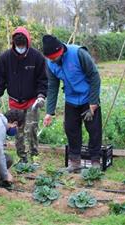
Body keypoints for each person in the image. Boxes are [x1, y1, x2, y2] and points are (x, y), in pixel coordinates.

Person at [42, 34, 102, 173]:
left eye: (54, 58)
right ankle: (75, 162)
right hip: (71, 100)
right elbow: (52, 86)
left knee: (94, 130)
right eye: (50, 59)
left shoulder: (78, 53)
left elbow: (94, 76)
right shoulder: (50, 63)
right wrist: (49, 112)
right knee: (71, 130)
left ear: (61, 51)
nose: (53, 61)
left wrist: (93, 103)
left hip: (88, 99)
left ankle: (95, 162)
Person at [0, 26, 47, 164]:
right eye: (18, 46)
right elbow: (0, 79)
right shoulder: (5, 58)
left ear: (28, 43)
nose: (20, 49)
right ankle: (22, 158)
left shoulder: (37, 57)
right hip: (14, 101)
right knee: (18, 131)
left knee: (32, 129)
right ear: (14, 44)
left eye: (23, 46)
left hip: (32, 101)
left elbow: (42, 79)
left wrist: (41, 95)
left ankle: (34, 156)